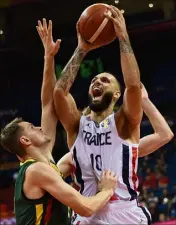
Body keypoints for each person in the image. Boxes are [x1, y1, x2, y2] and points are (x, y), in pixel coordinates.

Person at [53, 5, 173, 224]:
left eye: (105, 80)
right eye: (93, 81)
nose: (97, 81)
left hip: (124, 212)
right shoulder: (76, 125)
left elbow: (133, 86)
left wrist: (123, 37)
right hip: (87, 212)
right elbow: (60, 93)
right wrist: (81, 49)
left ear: (117, 94)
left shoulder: (123, 123)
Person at [0, 19, 118, 225]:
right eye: (32, 127)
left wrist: (49, 57)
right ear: (26, 141)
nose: (38, 126)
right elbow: (86, 207)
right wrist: (107, 190)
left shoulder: (43, 162)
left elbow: (47, 104)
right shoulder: (36, 171)